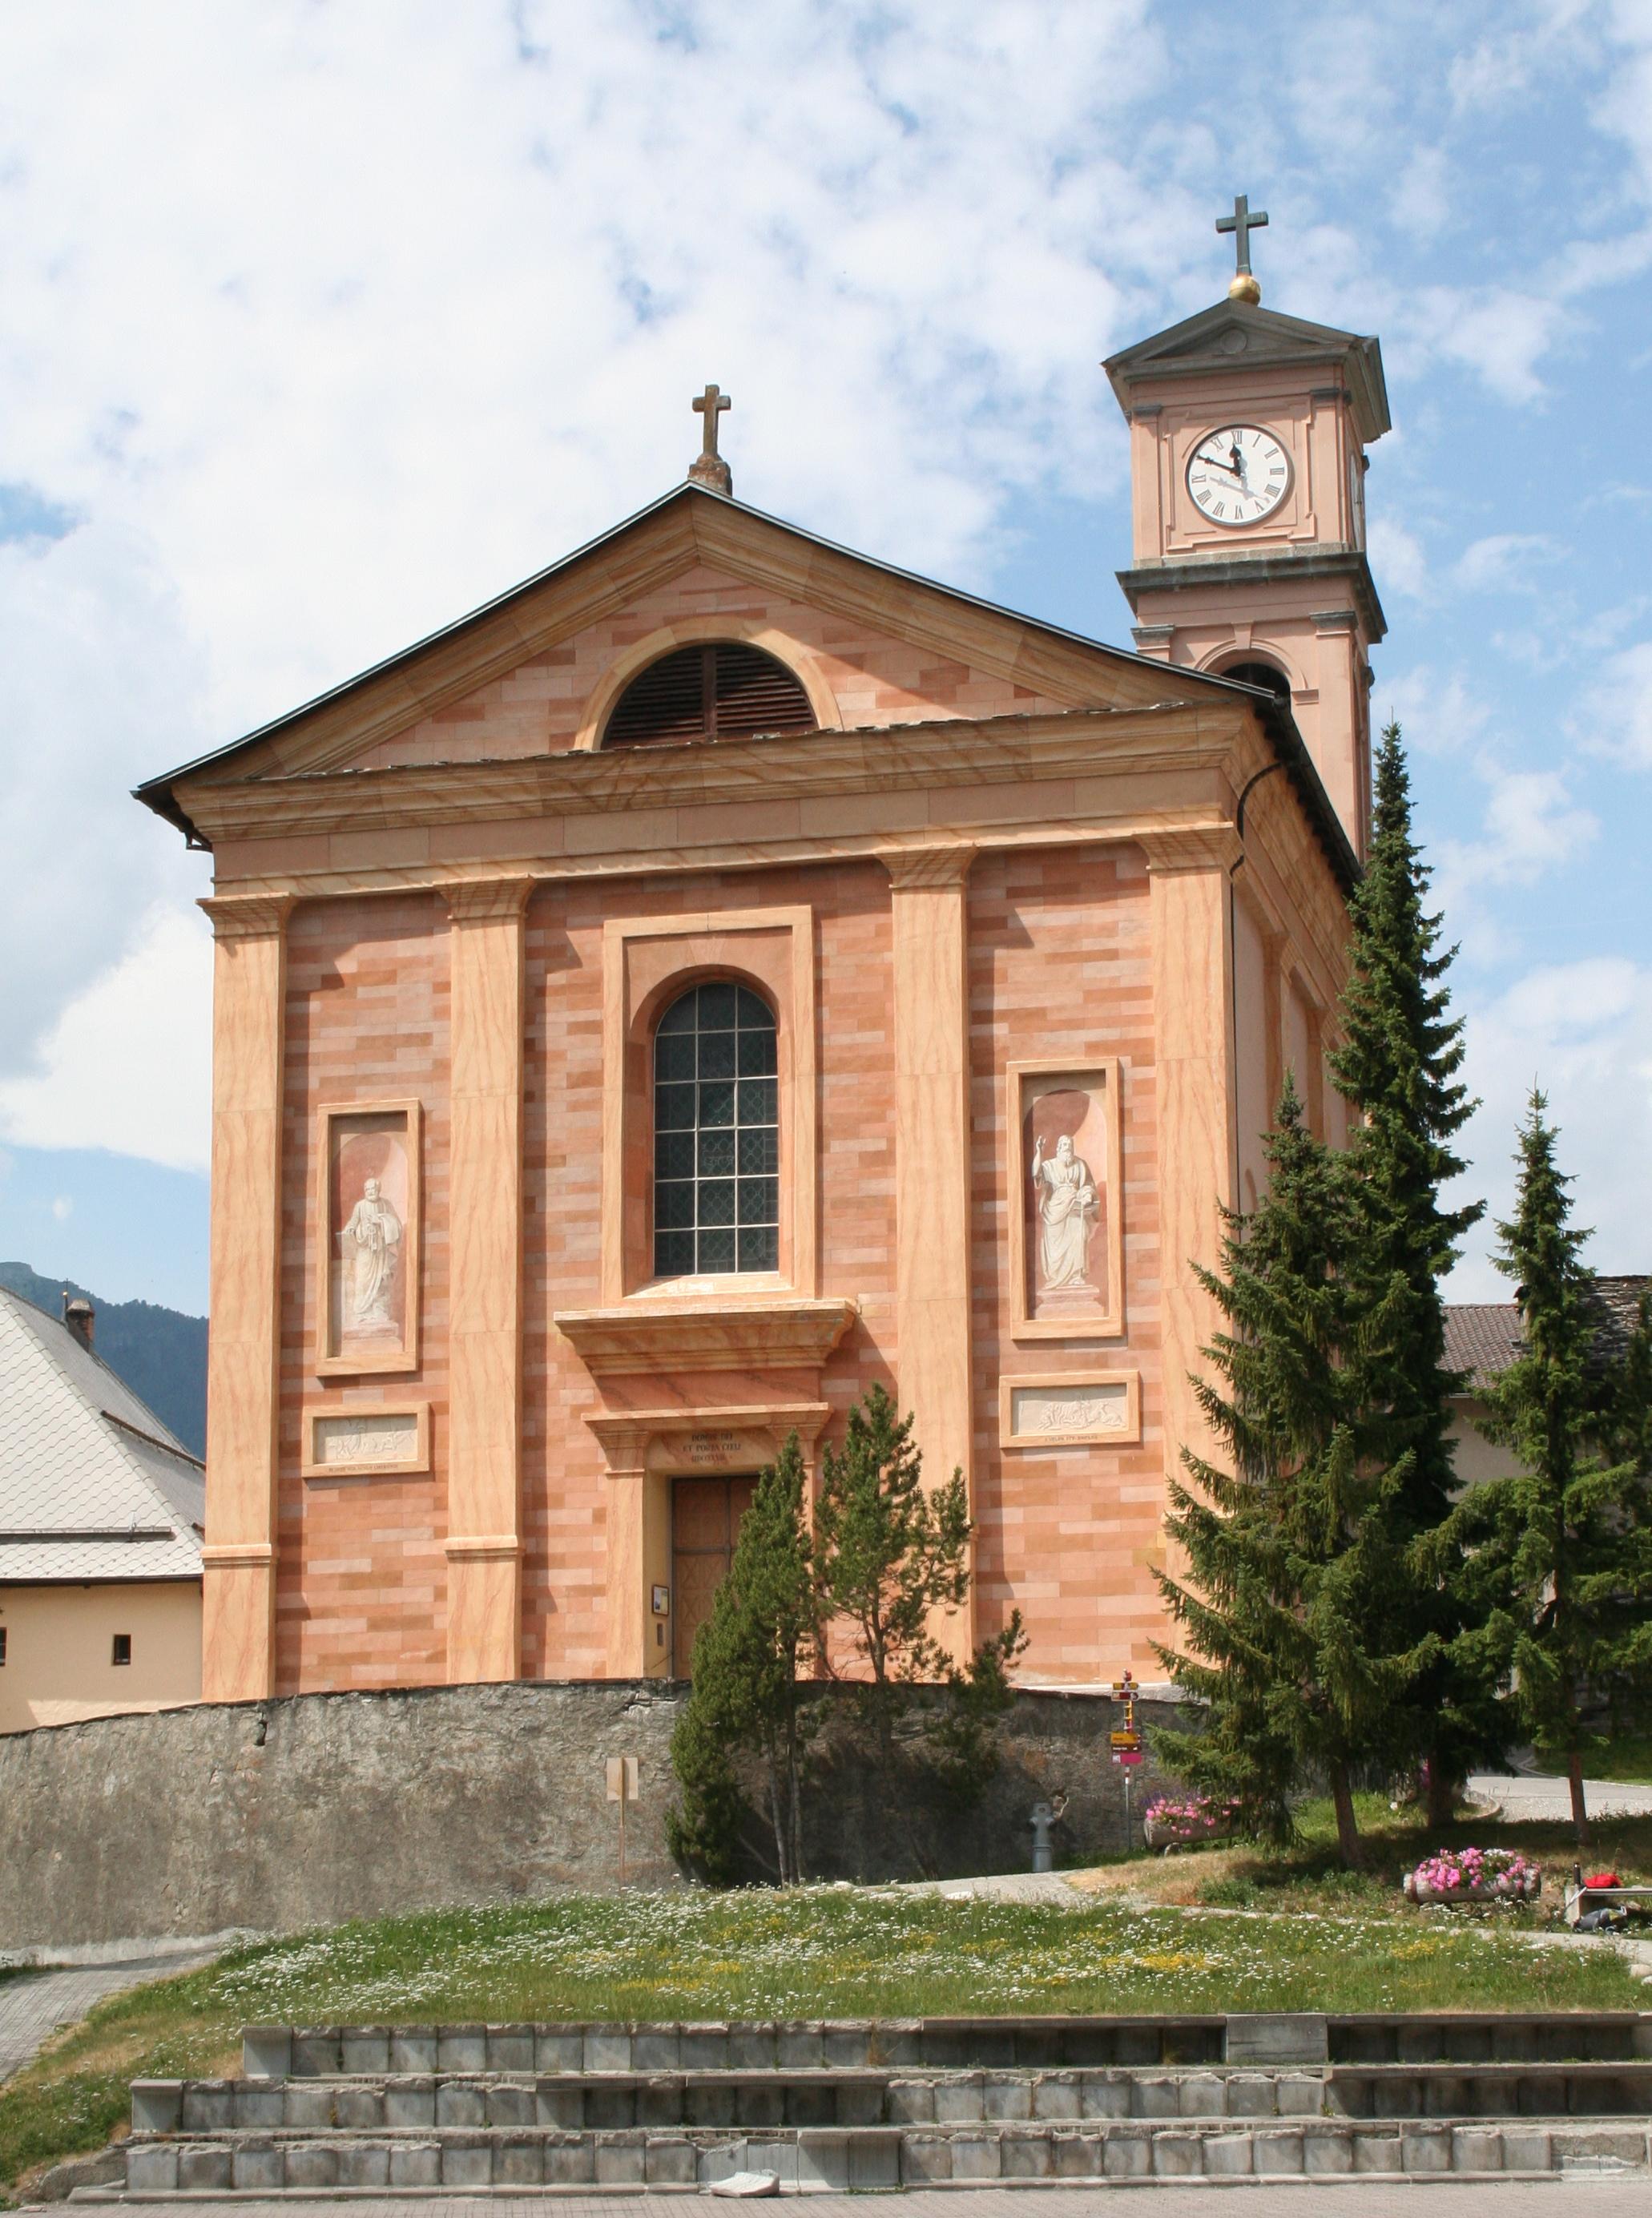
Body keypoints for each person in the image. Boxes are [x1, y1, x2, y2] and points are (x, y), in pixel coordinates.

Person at [1030, 1129, 1099, 1291]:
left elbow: (1088, 1185)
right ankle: (1056, 1276)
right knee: (1055, 1247)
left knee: (1080, 1234)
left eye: (1070, 1144)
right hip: (1055, 1210)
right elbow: (1036, 1173)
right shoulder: (1050, 1165)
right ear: (1058, 1148)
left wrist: (1087, 1195)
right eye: (1064, 1144)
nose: (1067, 1147)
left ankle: (1077, 1275)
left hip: (1075, 1206)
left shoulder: (1080, 1165)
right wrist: (1039, 1151)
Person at [341, 1176, 402, 1329]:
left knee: (382, 1281)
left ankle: (379, 1312)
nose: (370, 1192)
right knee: (362, 1281)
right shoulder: (360, 1206)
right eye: (367, 1189)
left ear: (378, 1190)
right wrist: (350, 1228)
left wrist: (381, 1220)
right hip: (365, 1251)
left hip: (381, 1253)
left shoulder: (385, 1204)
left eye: (373, 1189)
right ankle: (362, 1314)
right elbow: (354, 1221)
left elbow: (397, 1224)